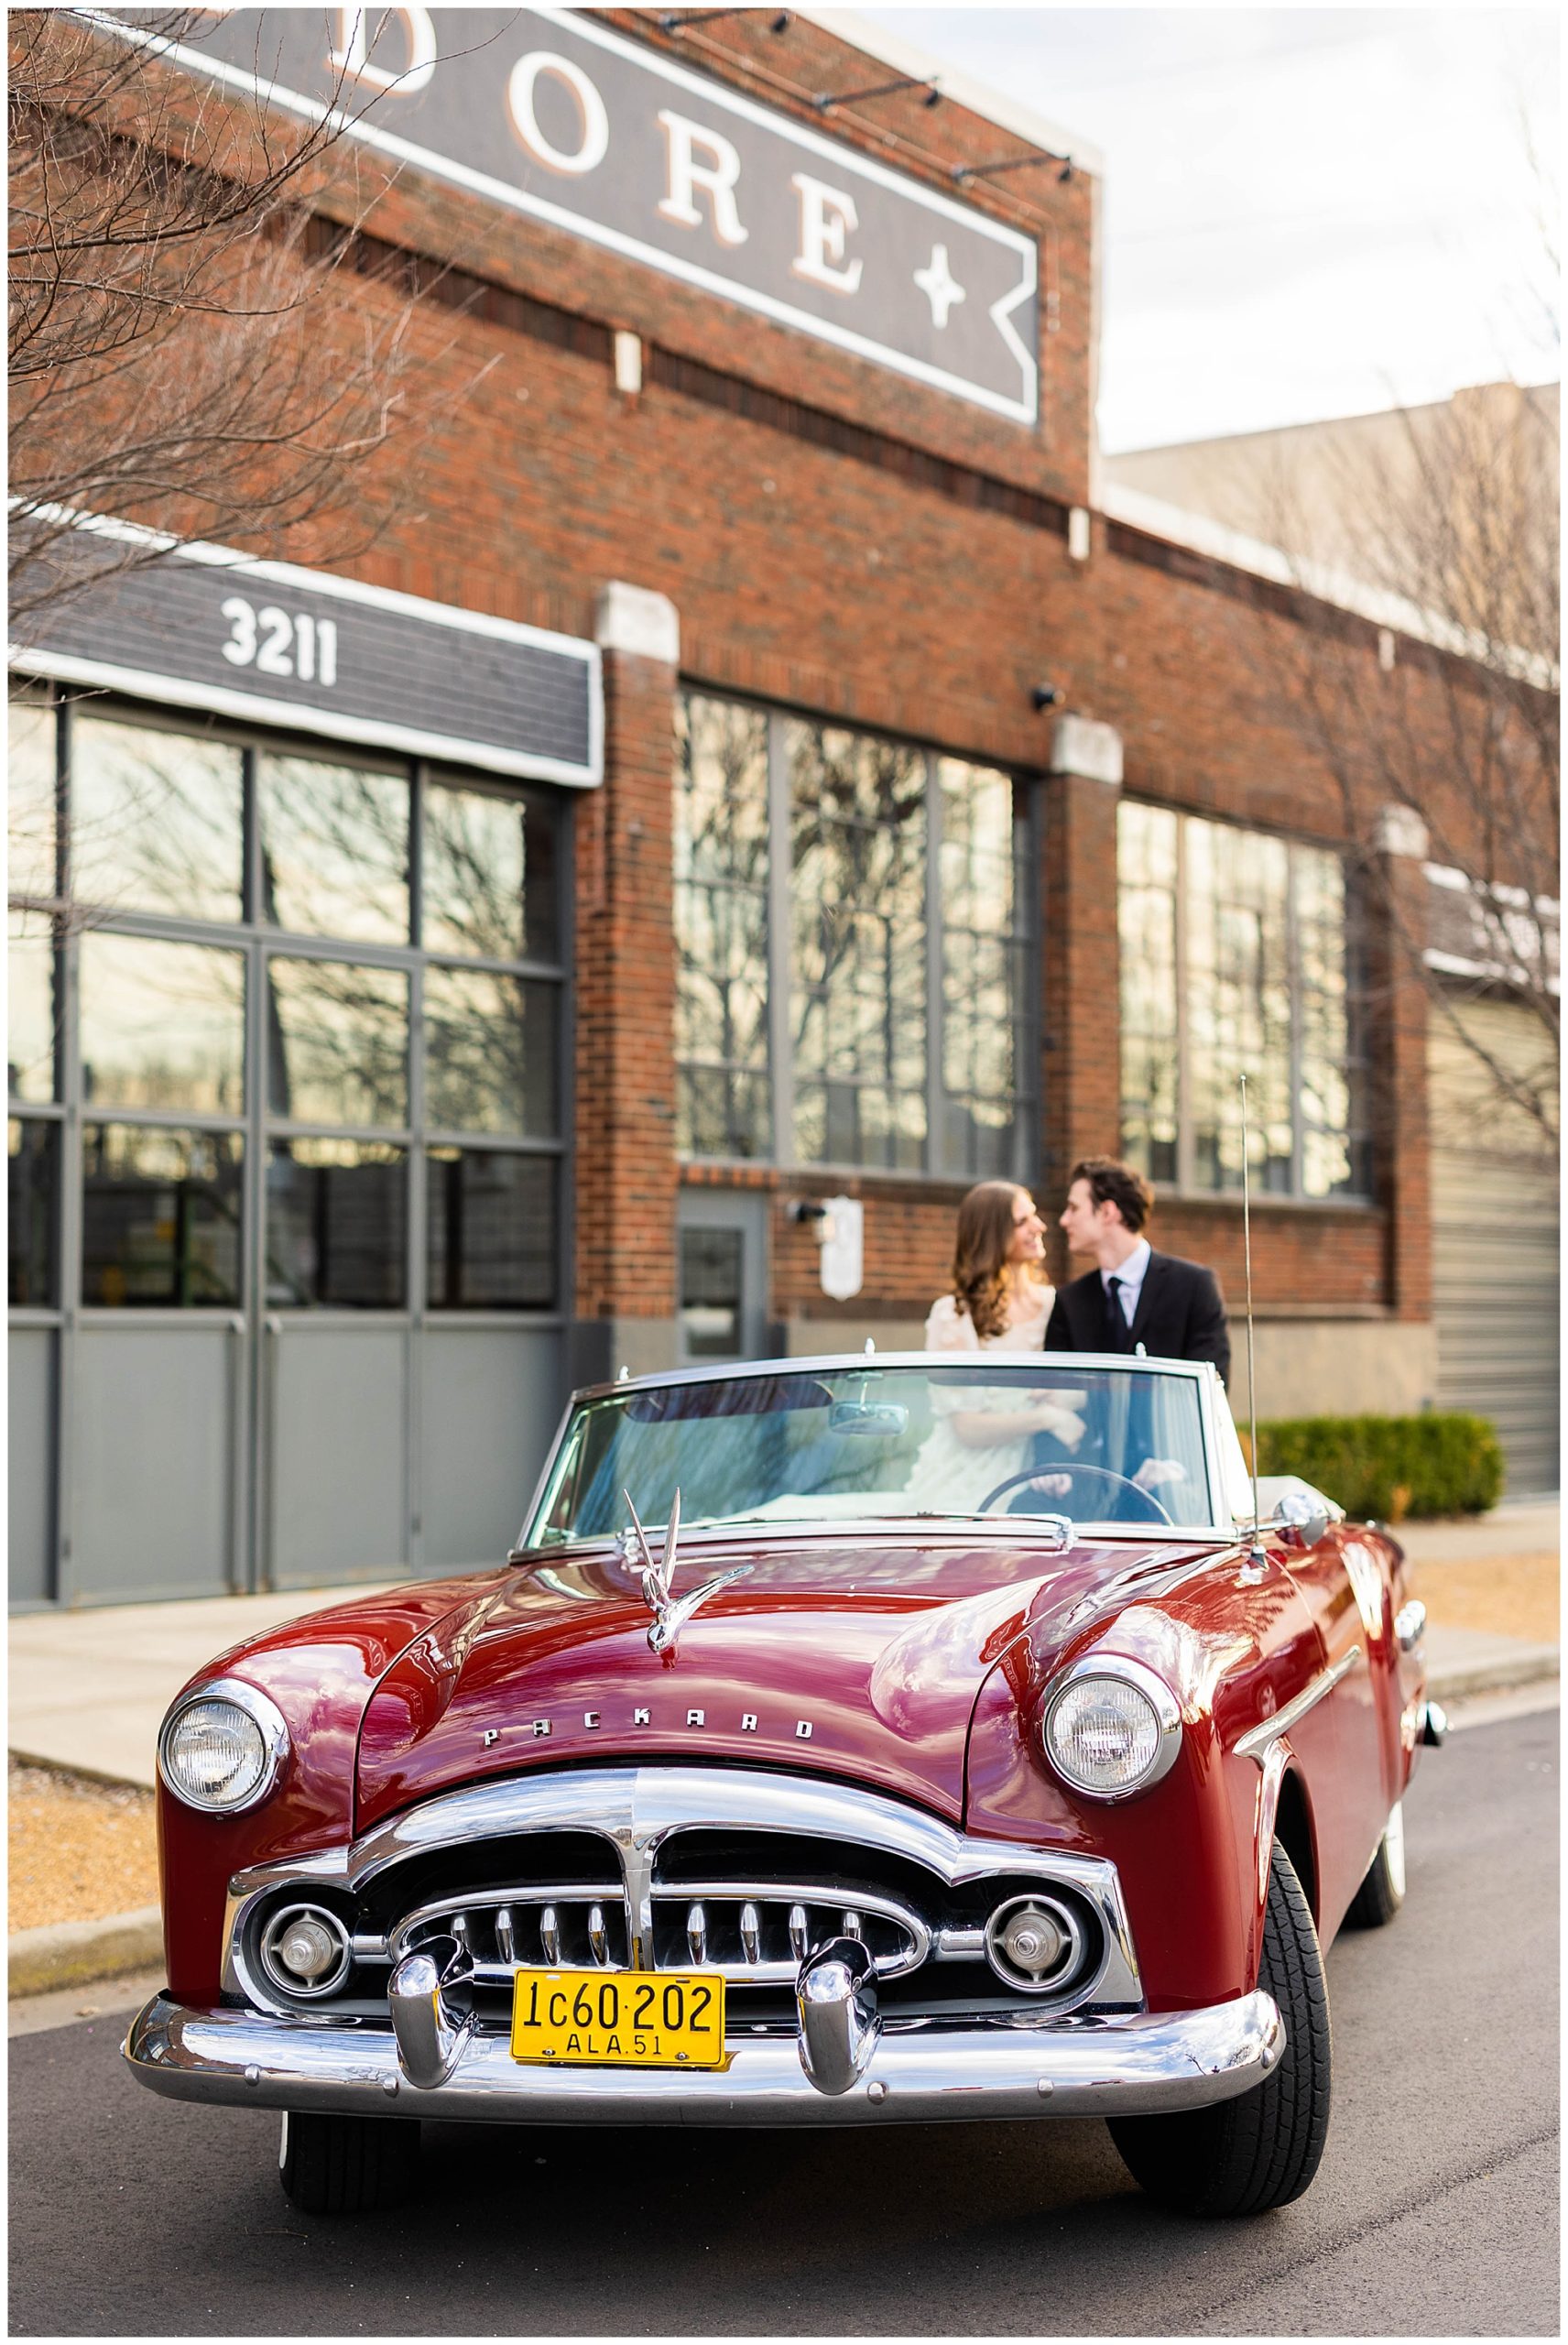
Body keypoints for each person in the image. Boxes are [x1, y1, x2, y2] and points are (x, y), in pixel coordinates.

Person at [902, 1181, 1084, 1511]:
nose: (1040, 1226)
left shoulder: (1056, 1305)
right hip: (966, 1478)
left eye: (1035, 1216)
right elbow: (966, 1428)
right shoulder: (954, 1315)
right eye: (1022, 1221)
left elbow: (1085, 1390)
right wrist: (1046, 1416)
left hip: (1045, 1476)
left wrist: (1064, 1401)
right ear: (992, 1234)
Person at [1048, 1156, 1231, 1380]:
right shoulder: (1069, 1301)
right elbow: (1057, 1388)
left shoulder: (1194, 1286)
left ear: (1107, 1212)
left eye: (1074, 1208)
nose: (1064, 1220)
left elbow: (1212, 1384)